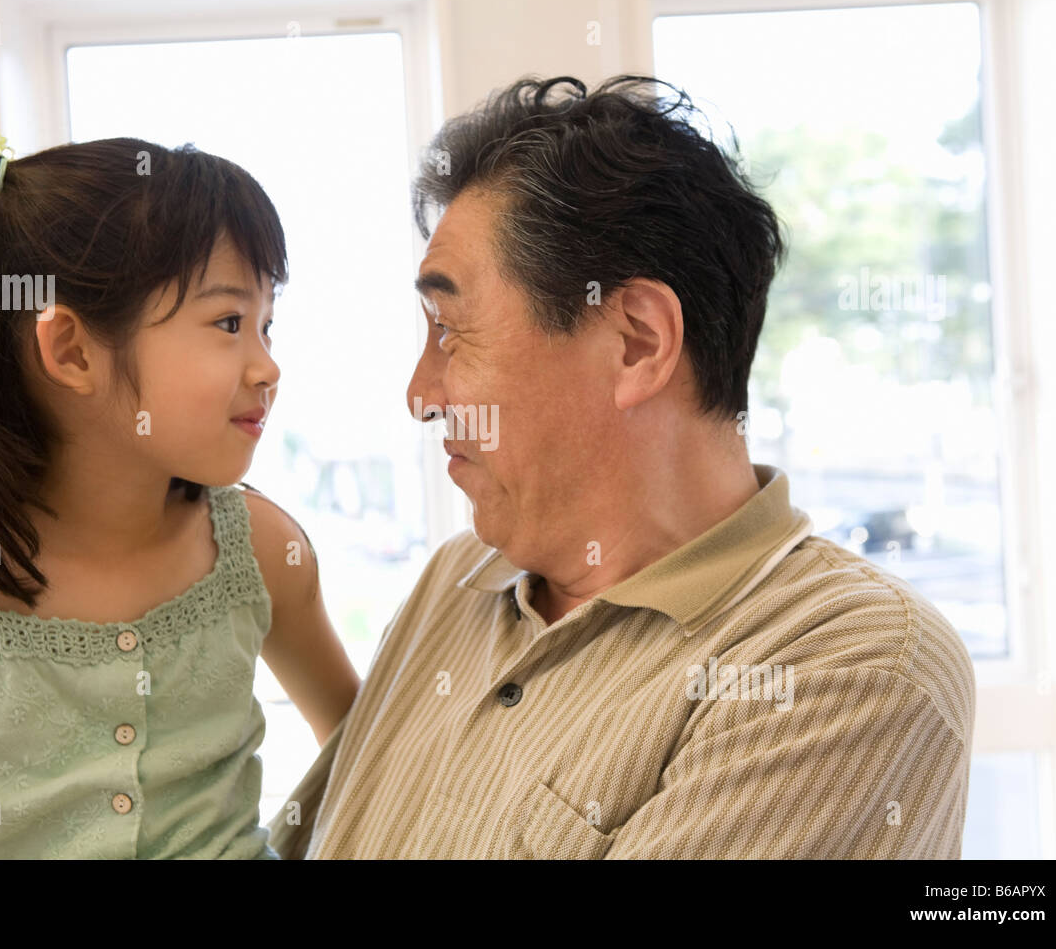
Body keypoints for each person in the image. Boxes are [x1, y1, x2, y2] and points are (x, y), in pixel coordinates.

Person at [267, 75, 976, 859]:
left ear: (636, 341)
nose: (421, 394)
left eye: (451, 330)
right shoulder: (456, 582)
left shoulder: (851, 664)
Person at [0, 135, 359, 858]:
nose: (267, 366)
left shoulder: (261, 549)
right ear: (69, 350)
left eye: (266, 324)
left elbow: (371, 767)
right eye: (229, 322)